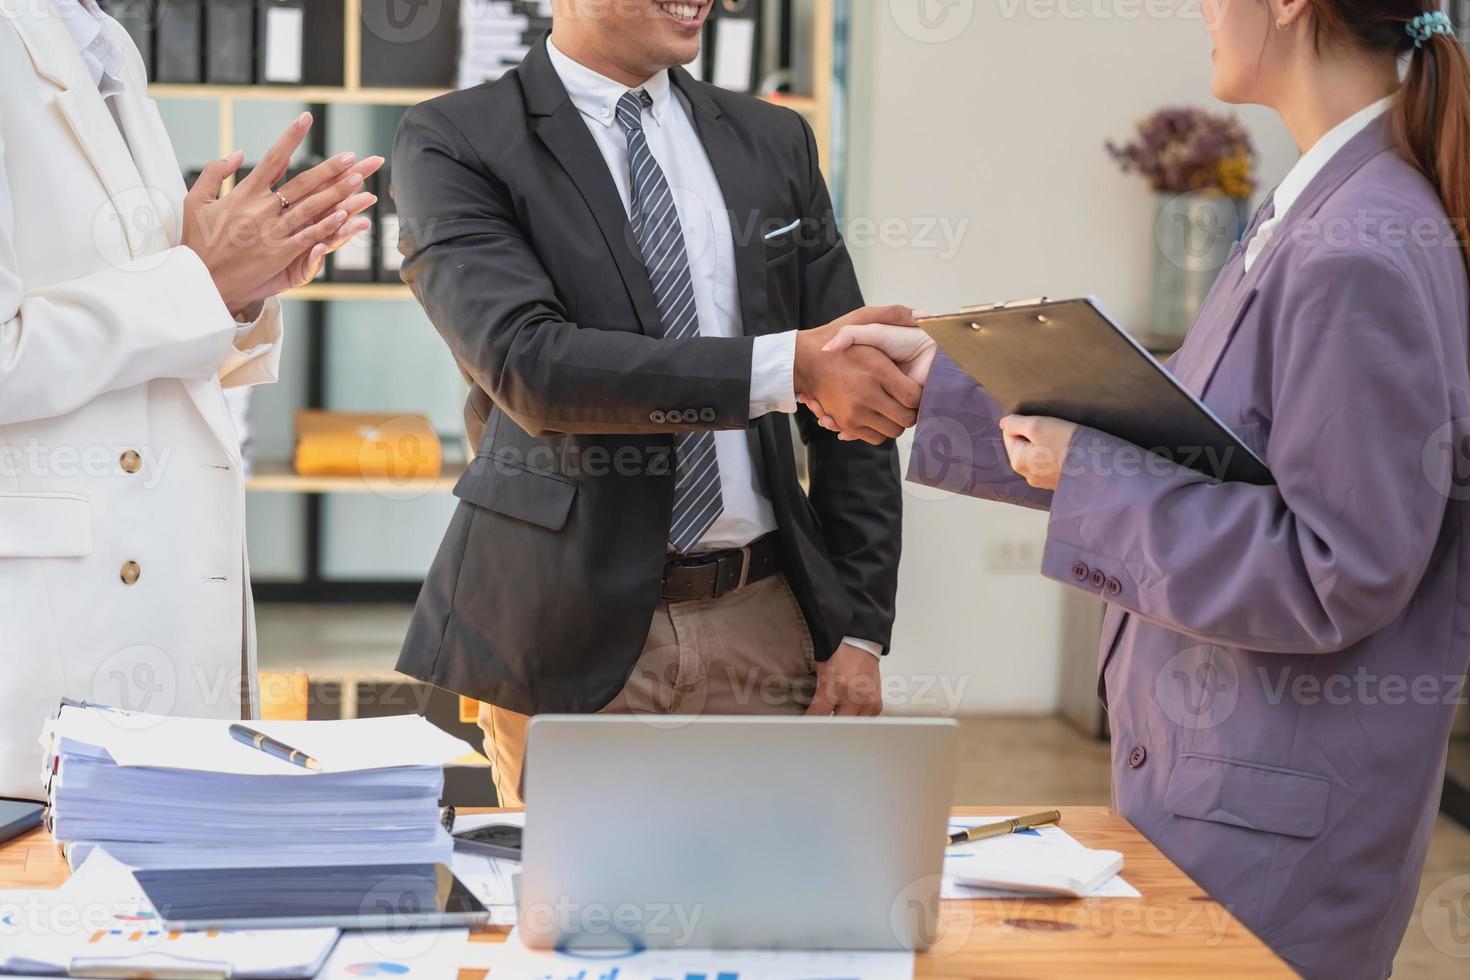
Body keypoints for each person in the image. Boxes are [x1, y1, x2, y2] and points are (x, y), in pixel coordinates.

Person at [810, 0, 1470, 975]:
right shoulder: (1317, 211)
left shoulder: (1358, 244)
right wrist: (941, 386)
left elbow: (1339, 568)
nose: (1203, 9)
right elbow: (1206, 446)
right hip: (1228, 799)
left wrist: (1089, 474)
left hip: (1270, 833)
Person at [391, 0, 921, 806]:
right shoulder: (456, 140)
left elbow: (850, 383)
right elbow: (530, 364)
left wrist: (857, 628)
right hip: (563, 625)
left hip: (765, 620)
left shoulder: (773, 139)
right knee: (573, 920)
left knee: (765, 913)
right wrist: (788, 367)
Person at [0, 0, 380, 798]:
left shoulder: (106, 47)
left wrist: (235, 296)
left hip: (158, 591)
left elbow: (152, 315)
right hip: (57, 616)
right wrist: (198, 283)